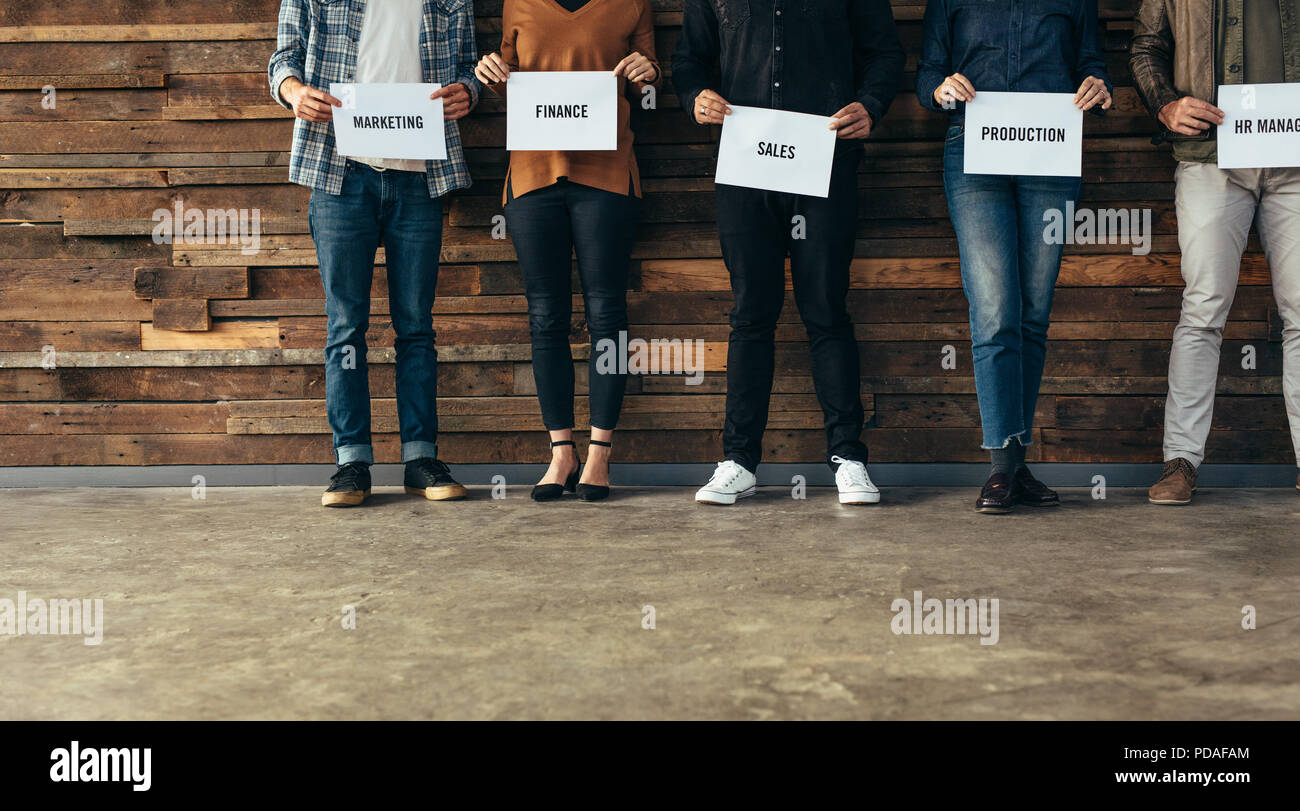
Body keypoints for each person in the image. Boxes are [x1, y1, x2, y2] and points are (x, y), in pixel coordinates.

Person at [673, 0, 905, 506]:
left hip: (826, 164)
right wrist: (695, 96)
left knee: (826, 310)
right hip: (744, 165)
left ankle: (849, 458)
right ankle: (738, 462)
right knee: (751, 314)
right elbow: (689, 59)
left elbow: (886, 54)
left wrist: (872, 103)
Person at [268, 0, 480, 507]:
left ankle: (421, 459)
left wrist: (468, 92)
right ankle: (351, 463)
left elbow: (470, 67)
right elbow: (284, 57)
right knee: (345, 324)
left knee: (416, 325)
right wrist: (293, 91)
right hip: (340, 172)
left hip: (420, 173)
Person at [916, 0, 1112, 513]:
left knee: (1032, 315)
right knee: (995, 310)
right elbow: (926, 76)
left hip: (1051, 151)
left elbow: (1093, 63)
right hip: (973, 154)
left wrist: (1096, 83)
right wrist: (941, 89)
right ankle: (1003, 469)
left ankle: (1015, 468)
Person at [475, 0, 660, 502]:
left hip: (606, 175)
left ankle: (600, 451)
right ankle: (562, 451)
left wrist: (649, 72)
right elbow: (504, 79)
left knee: (607, 311)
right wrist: (490, 71)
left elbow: (649, 81)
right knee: (545, 316)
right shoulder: (518, 2)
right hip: (533, 176)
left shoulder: (631, 3)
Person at [1132, 0, 1300, 504]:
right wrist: (1165, 103)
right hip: (1210, 157)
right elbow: (1146, 47)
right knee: (1203, 307)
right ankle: (1180, 461)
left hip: (1295, 160)